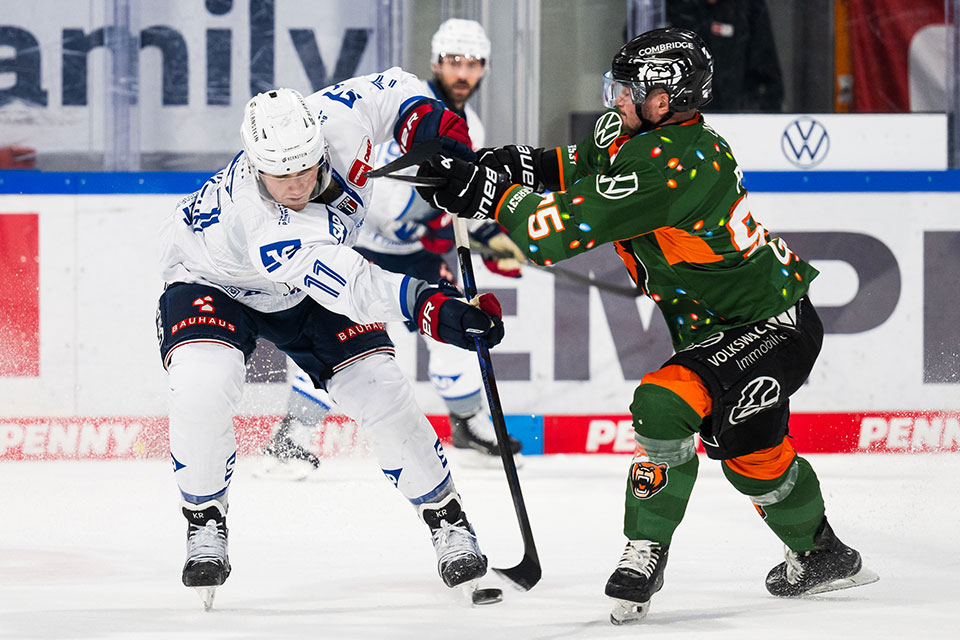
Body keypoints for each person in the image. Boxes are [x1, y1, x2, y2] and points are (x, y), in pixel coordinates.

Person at [413, 27, 877, 624]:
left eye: (629, 89)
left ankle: (645, 553)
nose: (616, 99)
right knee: (753, 456)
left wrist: (486, 194)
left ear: (668, 99)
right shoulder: (628, 130)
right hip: (714, 329)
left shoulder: (683, 162)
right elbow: (577, 165)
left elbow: (557, 231)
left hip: (771, 324)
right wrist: (502, 164)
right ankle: (825, 554)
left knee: (662, 403)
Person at [155, 70, 506, 609]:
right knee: (202, 388)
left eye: (304, 167)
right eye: (279, 174)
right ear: (254, 164)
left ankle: (447, 521)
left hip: (304, 280)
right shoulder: (270, 226)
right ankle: (205, 518)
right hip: (212, 280)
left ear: (320, 142)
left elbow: (396, 87)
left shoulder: (337, 116)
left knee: (381, 390)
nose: (295, 184)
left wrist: (438, 135)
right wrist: (433, 307)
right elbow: (357, 286)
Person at [258, 18, 524, 478]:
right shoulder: (408, 109)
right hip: (358, 243)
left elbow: (446, 198)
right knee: (332, 335)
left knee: (456, 323)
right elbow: (383, 197)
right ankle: (293, 436)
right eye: (454, 61)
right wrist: (433, 229)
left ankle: (466, 423)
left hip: (411, 249)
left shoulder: (469, 126)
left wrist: (485, 234)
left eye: (473, 63)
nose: (463, 73)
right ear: (436, 62)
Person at [666, 0, 784, 112]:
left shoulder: (750, 8)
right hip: (686, 114)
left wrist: (753, 116)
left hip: (739, 115)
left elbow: (767, 73)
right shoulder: (673, 8)